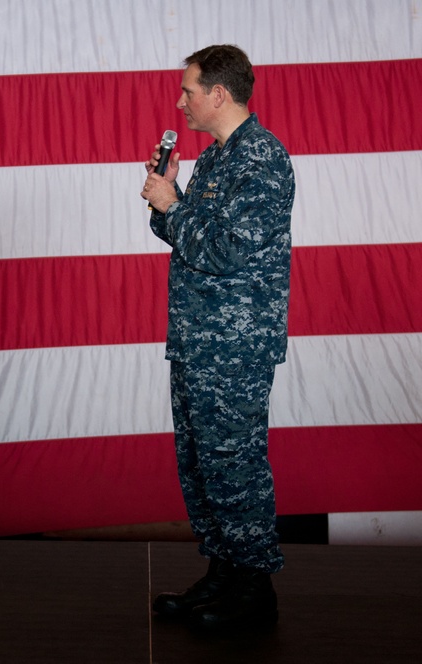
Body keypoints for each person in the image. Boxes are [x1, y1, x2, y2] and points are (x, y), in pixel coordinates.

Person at [141, 45, 296, 630]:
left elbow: (228, 250)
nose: (180, 101)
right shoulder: (214, 160)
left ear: (219, 94)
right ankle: (224, 574)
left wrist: (174, 208)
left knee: (235, 464)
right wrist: (166, 197)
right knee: (203, 464)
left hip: (235, 345)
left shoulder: (260, 159)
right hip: (197, 338)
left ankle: (254, 592)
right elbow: (188, 234)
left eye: (188, 90)